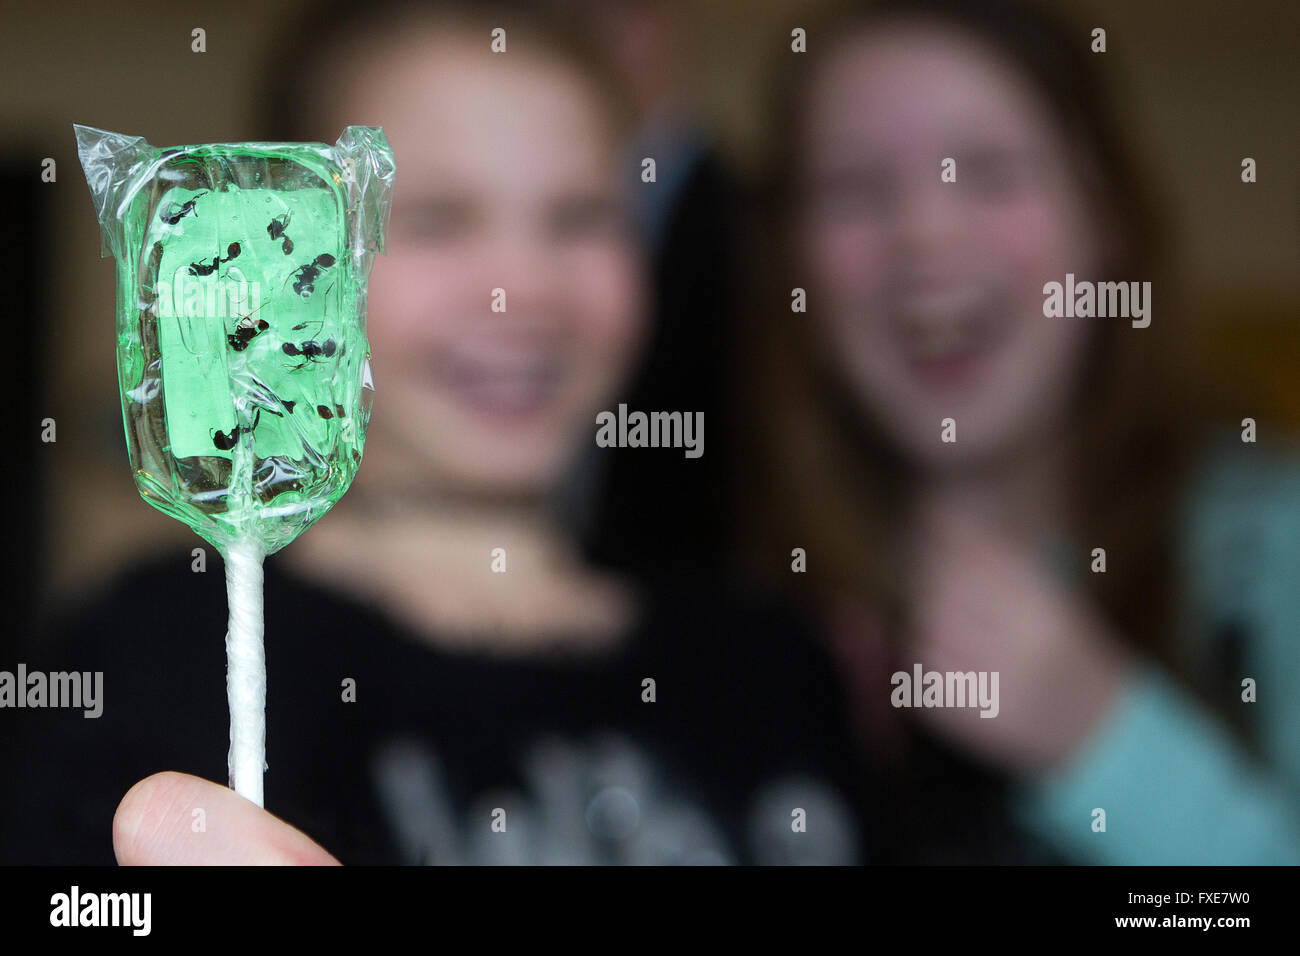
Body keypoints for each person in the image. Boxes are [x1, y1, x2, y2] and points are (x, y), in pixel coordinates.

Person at [1, 0, 868, 866]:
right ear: (291, 259)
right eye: (436, 219)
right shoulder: (151, 659)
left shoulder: (770, 664)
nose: (523, 285)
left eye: (580, 217)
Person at [737, 0, 1300, 863]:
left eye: (993, 173)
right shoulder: (742, 596)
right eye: (854, 189)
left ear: (1106, 219)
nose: (924, 237)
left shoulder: (1267, 546)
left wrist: (1102, 738)